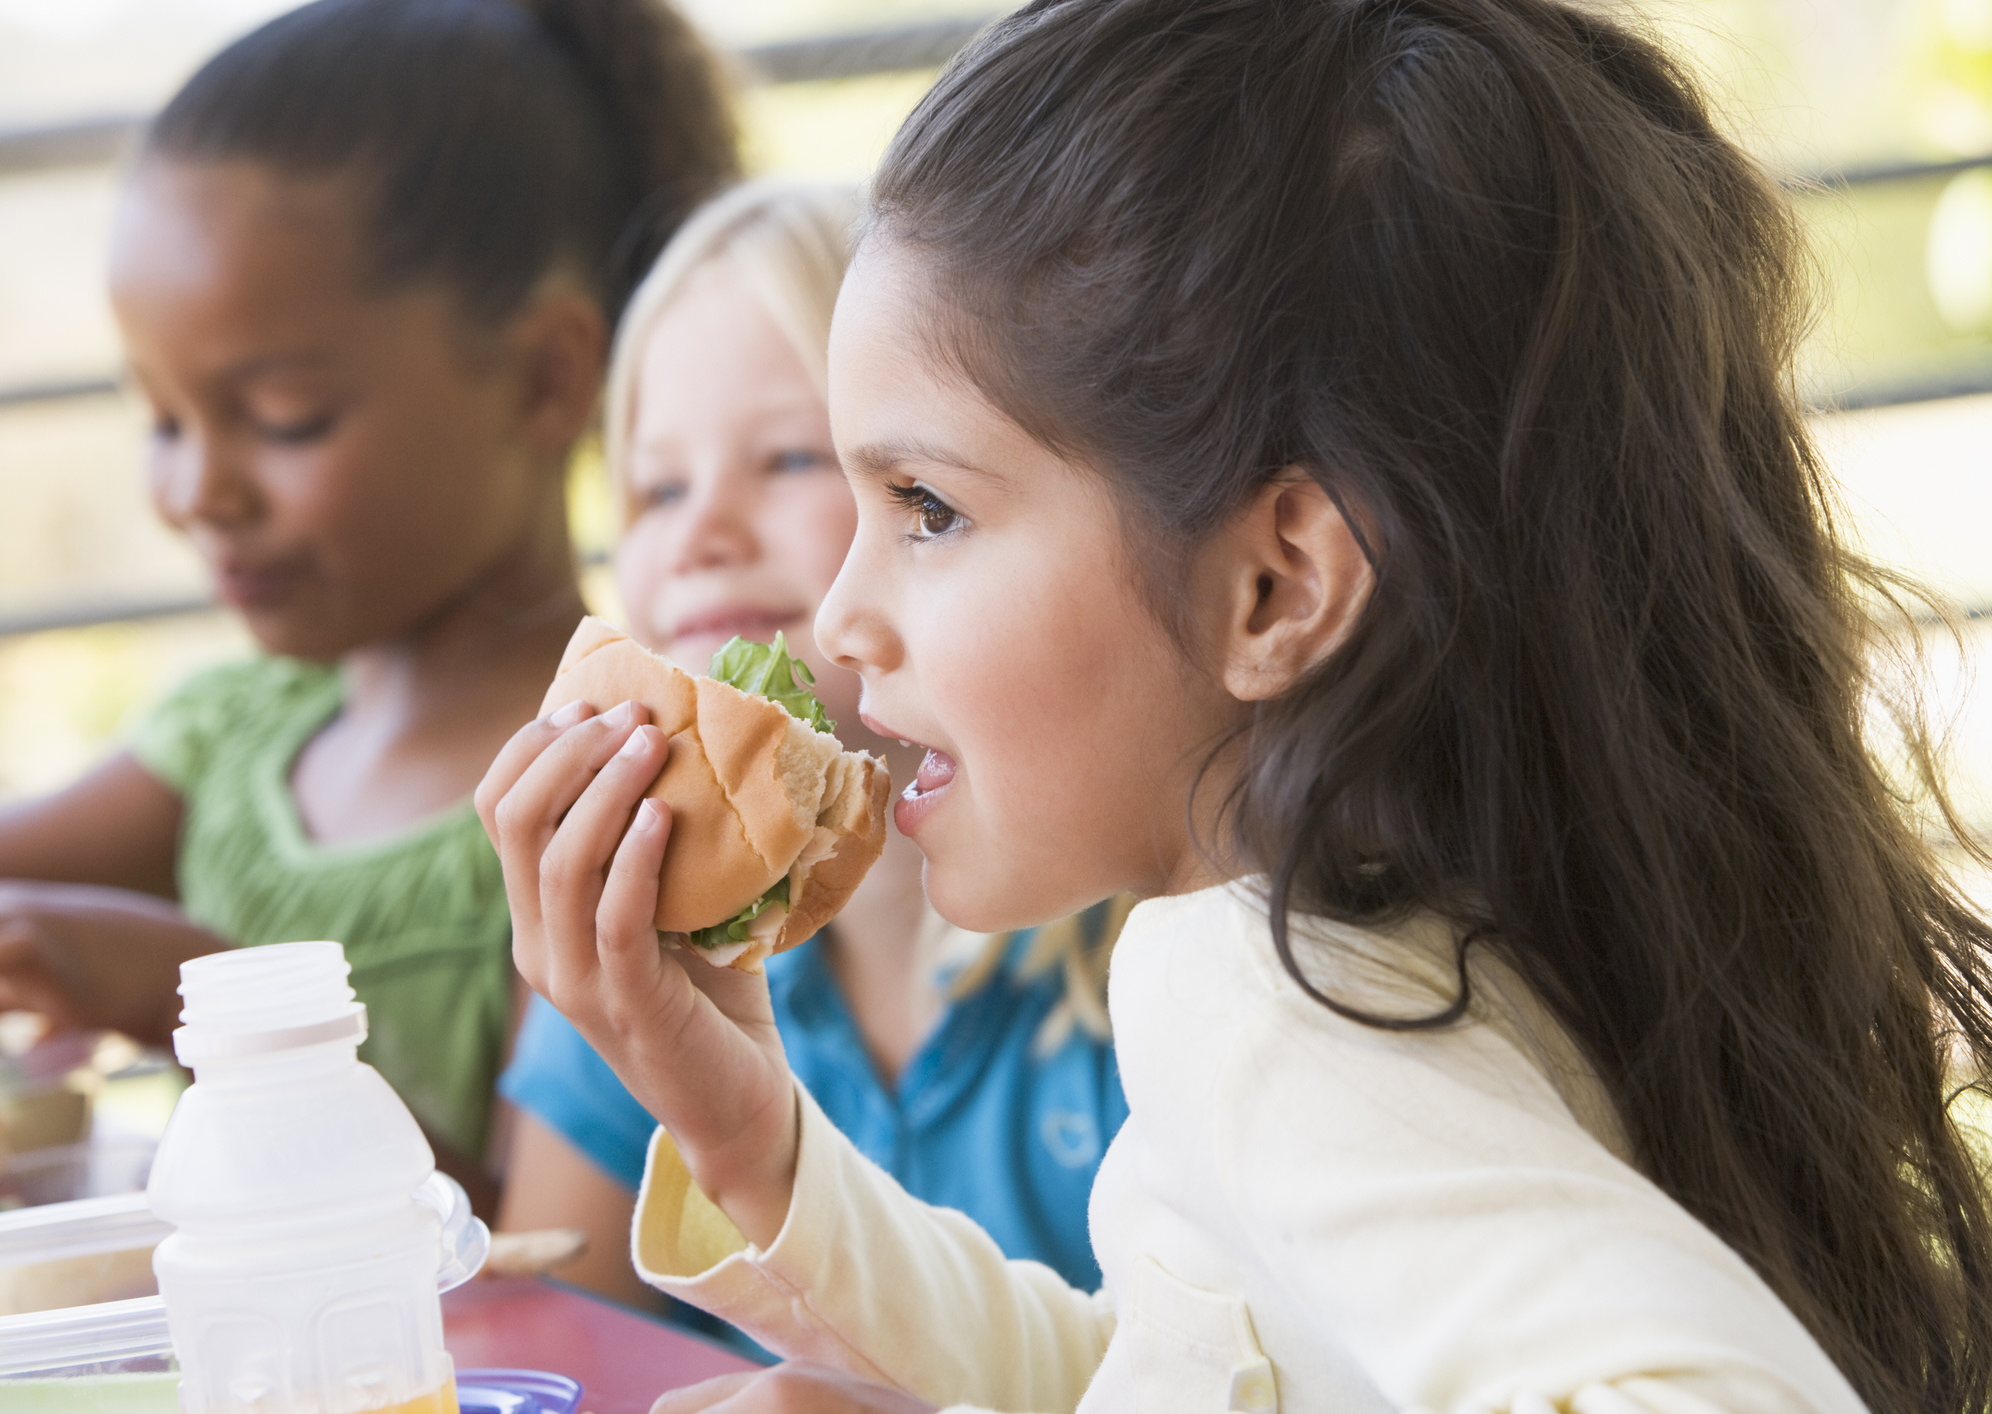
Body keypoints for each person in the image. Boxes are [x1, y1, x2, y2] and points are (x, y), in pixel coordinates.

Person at [477, 0, 1992, 1410]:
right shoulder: (1401, 930)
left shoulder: (1258, 991)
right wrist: (749, 1131)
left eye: (926, 504)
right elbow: (1168, 1362)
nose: (842, 613)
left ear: (1274, 587)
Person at [0, 0, 738, 1201]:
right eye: (164, 420)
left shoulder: (614, 796)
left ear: (546, 379)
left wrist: (206, 994)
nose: (193, 489)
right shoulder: (225, 738)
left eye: (281, 419)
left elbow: (541, 1251)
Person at [494, 179, 1129, 1317]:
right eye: (656, 486)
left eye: (789, 459)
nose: (697, 535)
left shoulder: (1153, 940)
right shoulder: (637, 919)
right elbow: (550, 1333)